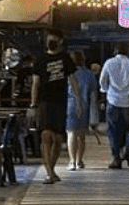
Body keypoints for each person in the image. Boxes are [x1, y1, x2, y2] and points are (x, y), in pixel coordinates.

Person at [31, 30, 75, 184]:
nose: (51, 40)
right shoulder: (40, 59)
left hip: (60, 102)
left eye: (54, 38)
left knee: (57, 138)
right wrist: (33, 104)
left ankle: (51, 169)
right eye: (49, 38)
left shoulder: (65, 58)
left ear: (60, 40)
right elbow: (35, 83)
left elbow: (72, 79)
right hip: (45, 102)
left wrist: (79, 101)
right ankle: (49, 173)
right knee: (46, 136)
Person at [99, 42, 129, 169]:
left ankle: (116, 157)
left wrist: (106, 91)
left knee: (113, 130)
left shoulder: (109, 63)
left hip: (113, 100)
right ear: (128, 51)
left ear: (115, 51)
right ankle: (128, 151)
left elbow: (102, 81)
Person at [66, 49, 97, 169]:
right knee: (82, 136)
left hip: (70, 105)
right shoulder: (89, 74)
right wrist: (94, 113)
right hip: (85, 106)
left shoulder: (67, 73)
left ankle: (72, 161)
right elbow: (93, 93)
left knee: (71, 133)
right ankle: (79, 160)